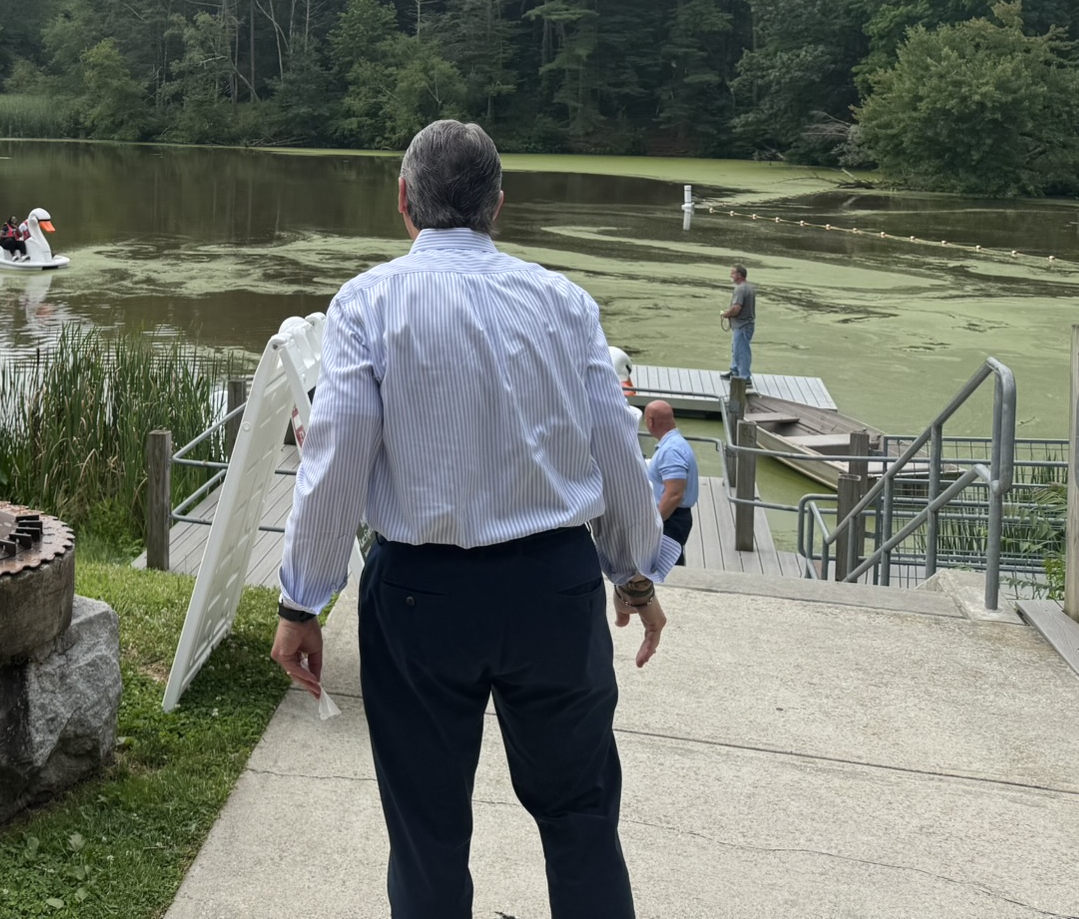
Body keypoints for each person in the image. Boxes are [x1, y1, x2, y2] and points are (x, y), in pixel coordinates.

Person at [271, 119, 675, 919]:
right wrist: (634, 576)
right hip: (554, 589)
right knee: (582, 814)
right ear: (497, 204)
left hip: (420, 597)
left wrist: (301, 600)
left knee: (426, 829)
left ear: (403, 199)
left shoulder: (368, 303)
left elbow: (335, 464)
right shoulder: (564, 303)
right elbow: (615, 452)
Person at [642, 400, 698, 564]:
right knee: (670, 562)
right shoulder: (675, 444)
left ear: (650, 421)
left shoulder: (671, 450)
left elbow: (674, 494)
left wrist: (655, 523)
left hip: (671, 518)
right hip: (674, 517)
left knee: (667, 567)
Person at [721, 263, 756, 382]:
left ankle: (744, 378)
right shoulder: (748, 287)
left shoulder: (740, 289)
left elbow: (736, 308)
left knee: (741, 352)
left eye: (732, 273)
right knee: (736, 349)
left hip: (742, 326)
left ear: (739, 275)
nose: (730, 275)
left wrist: (726, 314)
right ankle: (734, 371)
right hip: (744, 325)